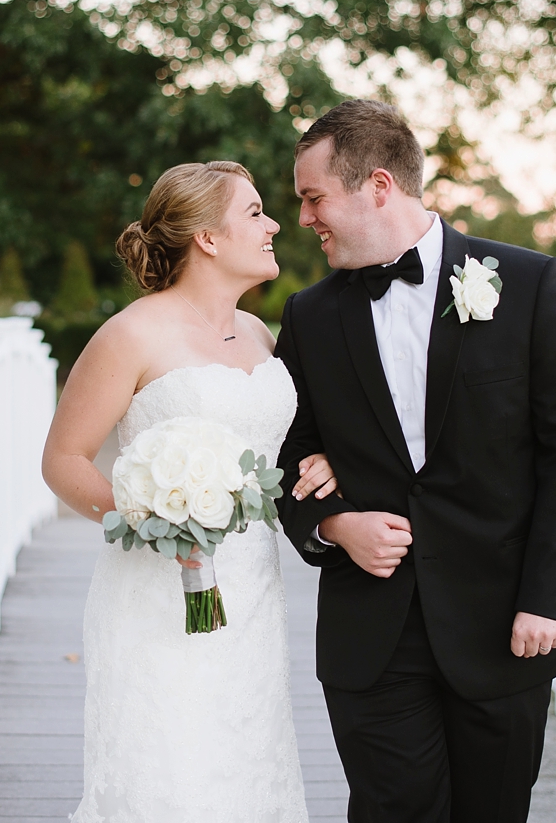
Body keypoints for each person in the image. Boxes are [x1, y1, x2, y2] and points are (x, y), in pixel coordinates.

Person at [275, 100, 556, 823]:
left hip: (504, 624)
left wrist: (551, 598)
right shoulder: (309, 316)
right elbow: (284, 456)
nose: (303, 218)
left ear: (379, 186)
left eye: (312, 197)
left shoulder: (528, 284)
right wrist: (333, 526)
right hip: (373, 630)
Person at [42, 161, 337, 822]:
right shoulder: (130, 335)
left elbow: (278, 452)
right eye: (256, 212)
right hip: (155, 592)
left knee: (244, 760)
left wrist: (322, 462)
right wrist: (146, 520)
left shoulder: (260, 336)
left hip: (253, 599)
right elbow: (62, 459)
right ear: (206, 237)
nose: (274, 224)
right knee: (171, 769)